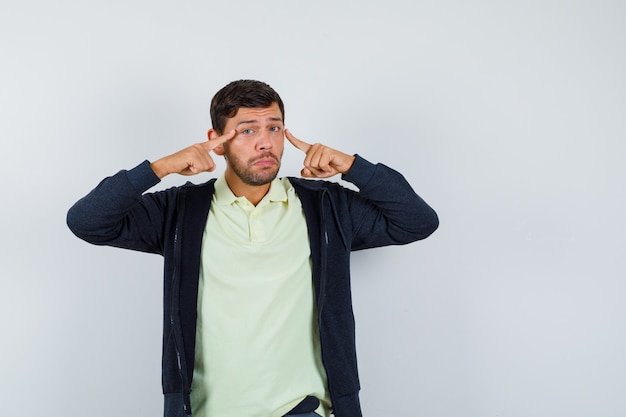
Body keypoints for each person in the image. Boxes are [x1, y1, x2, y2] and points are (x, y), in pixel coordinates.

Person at [67, 79, 439, 417]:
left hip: (304, 411)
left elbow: (417, 222)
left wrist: (355, 168)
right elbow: (87, 221)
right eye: (247, 130)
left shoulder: (326, 206)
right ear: (216, 139)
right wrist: (159, 168)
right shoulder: (179, 211)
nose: (265, 142)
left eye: (274, 128)